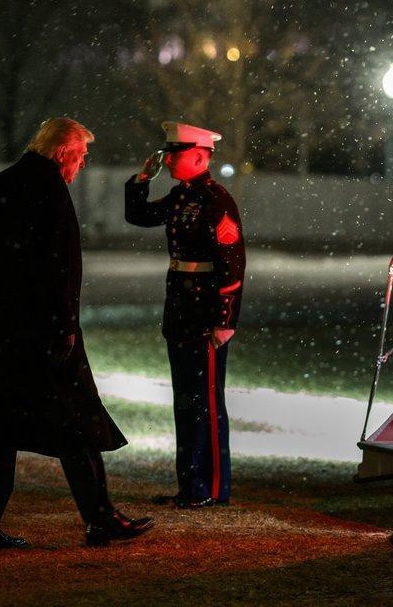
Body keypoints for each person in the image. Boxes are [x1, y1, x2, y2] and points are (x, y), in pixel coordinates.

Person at [0, 117, 153, 549]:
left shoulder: (4, 182)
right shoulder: (49, 191)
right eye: (79, 156)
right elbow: (60, 268)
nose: (80, 166)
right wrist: (65, 327)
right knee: (76, 423)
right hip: (40, 332)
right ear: (63, 152)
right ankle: (100, 519)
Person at [124, 121, 245, 508]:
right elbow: (139, 215)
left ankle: (210, 489)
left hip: (206, 313)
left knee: (207, 403)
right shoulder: (180, 196)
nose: (169, 159)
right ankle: (189, 486)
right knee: (185, 402)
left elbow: (233, 264)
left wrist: (225, 320)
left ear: (198, 155)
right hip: (181, 309)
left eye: (174, 154)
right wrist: (142, 179)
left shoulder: (216, 200)